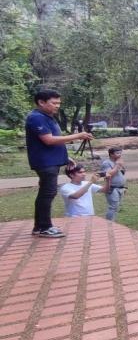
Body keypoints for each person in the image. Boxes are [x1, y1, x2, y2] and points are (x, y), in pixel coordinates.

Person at [26, 89, 93, 238]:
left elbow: (54, 140)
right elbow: (48, 140)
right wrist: (78, 135)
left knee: (46, 193)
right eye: (54, 103)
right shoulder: (36, 118)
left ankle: (39, 226)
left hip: (51, 161)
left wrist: (65, 157)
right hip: (45, 162)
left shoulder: (48, 117)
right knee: (47, 193)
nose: (57, 106)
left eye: (59, 103)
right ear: (41, 102)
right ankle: (44, 227)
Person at [101, 147, 127, 221]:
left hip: (120, 187)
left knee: (116, 207)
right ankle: (109, 223)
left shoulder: (118, 162)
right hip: (112, 188)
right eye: (117, 153)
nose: (120, 155)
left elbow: (122, 172)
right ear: (111, 154)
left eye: (120, 153)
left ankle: (112, 222)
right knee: (113, 207)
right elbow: (108, 174)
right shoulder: (106, 163)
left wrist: (121, 167)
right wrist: (117, 166)